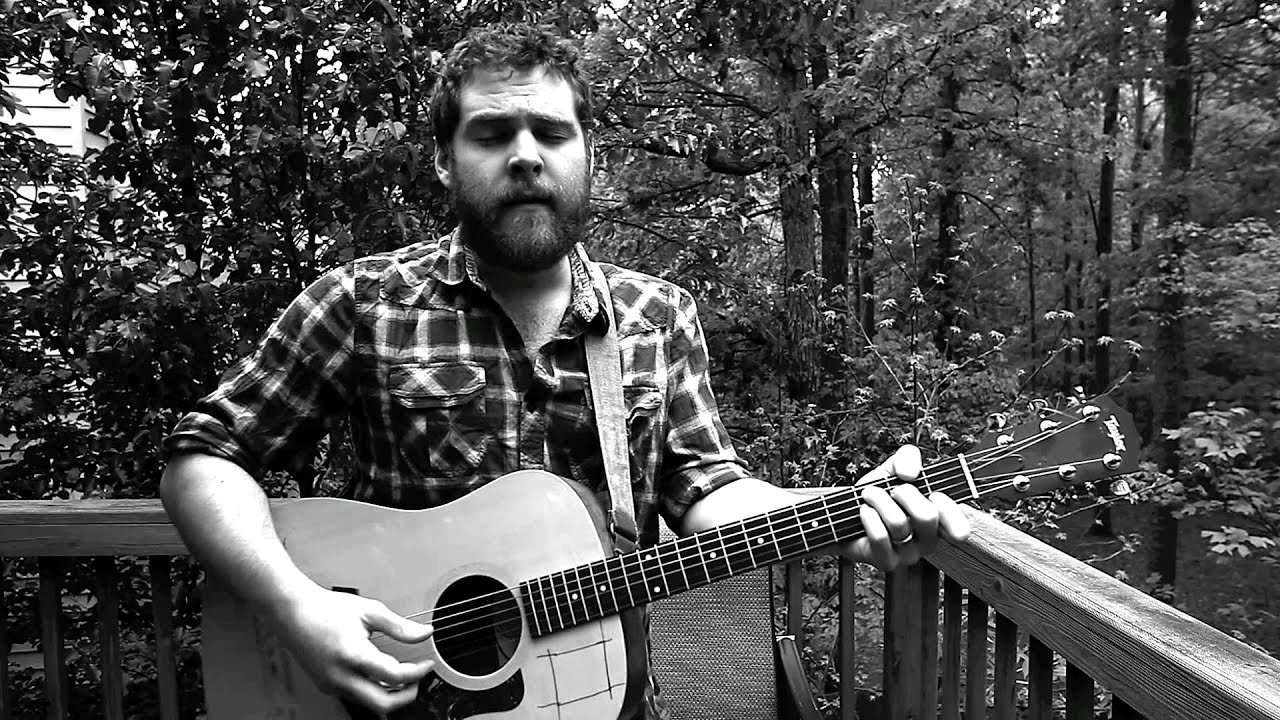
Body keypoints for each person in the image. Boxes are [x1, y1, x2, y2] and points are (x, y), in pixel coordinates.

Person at [159, 22, 971, 719]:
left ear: (588, 154)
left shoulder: (657, 316)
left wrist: (839, 512)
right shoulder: (362, 303)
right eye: (491, 134)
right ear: (444, 160)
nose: (524, 156)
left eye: (550, 133)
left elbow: (708, 494)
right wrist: (295, 606)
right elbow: (201, 458)